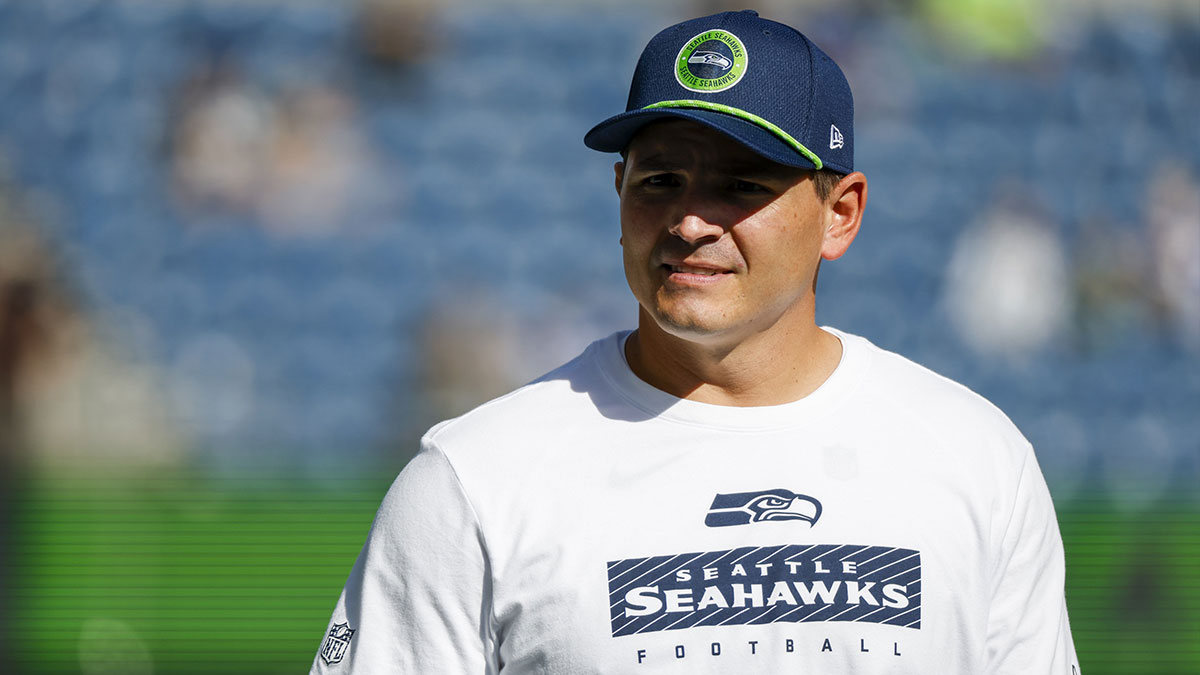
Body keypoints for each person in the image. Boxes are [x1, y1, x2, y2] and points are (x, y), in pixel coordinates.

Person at [311, 10, 1080, 673]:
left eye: (742, 185)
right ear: (619, 195)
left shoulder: (974, 460)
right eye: (660, 181)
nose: (689, 220)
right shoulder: (475, 479)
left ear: (840, 214)